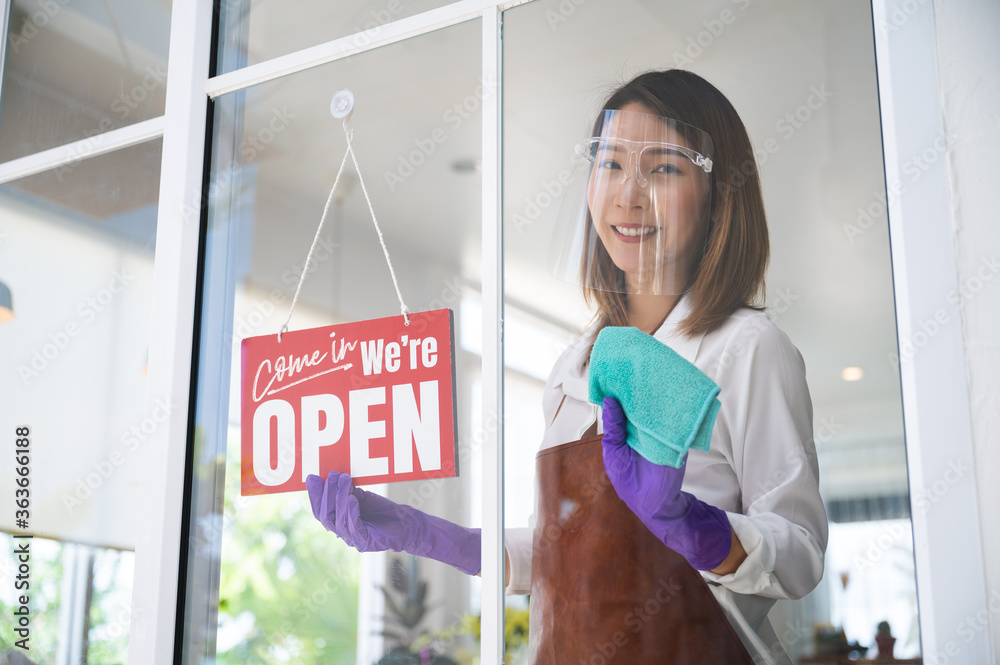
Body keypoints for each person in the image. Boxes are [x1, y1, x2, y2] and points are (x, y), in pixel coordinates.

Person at [307, 69, 828, 665]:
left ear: (719, 194)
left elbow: (800, 554)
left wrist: (692, 525)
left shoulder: (749, 348)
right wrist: (428, 535)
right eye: (609, 164)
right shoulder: (573, 364)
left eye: (663, 168)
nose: (628, 195)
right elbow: (563, 554)